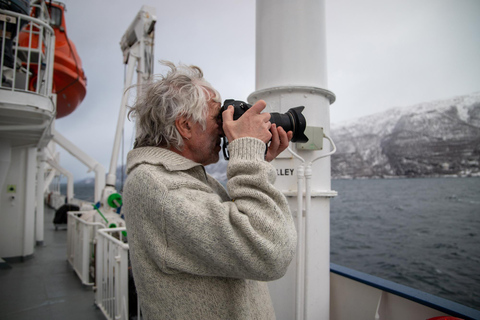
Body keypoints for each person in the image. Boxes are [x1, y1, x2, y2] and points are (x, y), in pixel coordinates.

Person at [123, 61, 297, 319]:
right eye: (219, 117)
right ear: (185, 126)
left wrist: (257, 161)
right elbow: (270, 251)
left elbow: (238, 228)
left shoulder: (185, 178)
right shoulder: (157, 185)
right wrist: (246, 152)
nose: (226, 127)